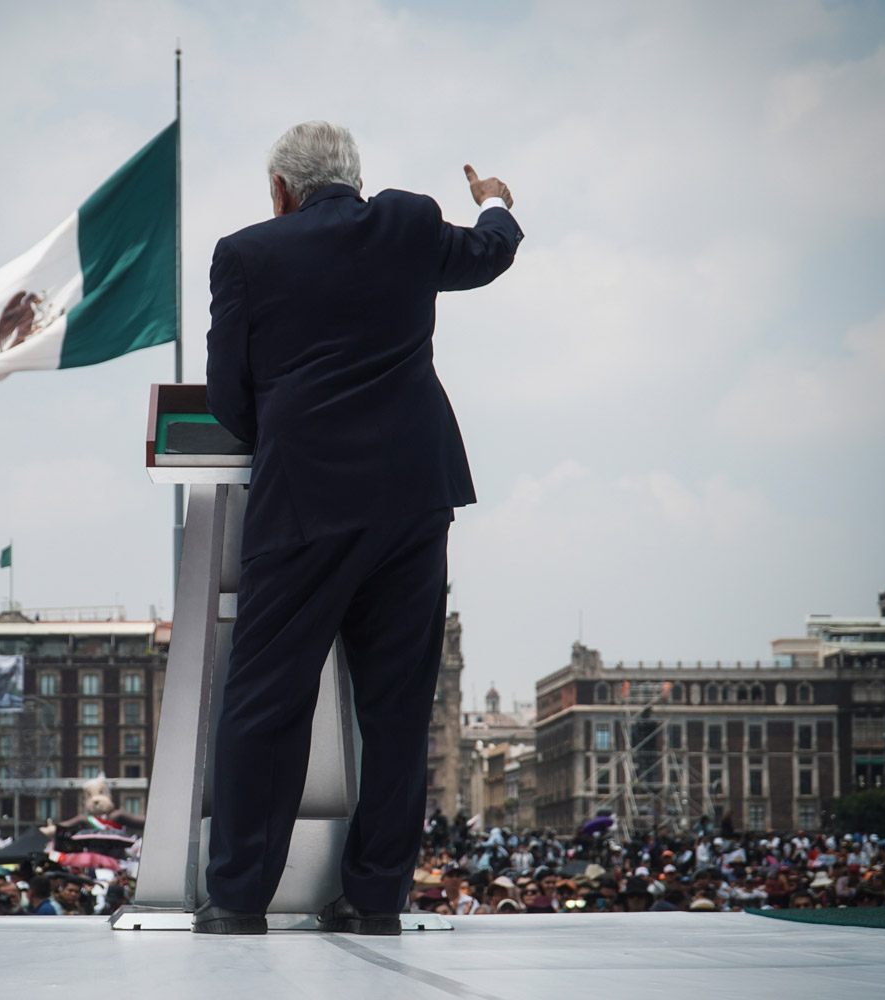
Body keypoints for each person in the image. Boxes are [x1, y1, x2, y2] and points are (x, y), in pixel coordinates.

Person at [193, 121, 520, 937]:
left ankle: (239, 899)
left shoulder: (246, 254)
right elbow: (490, 255)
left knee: (265, 702)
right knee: (399, 710)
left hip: (302, 505)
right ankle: (374, 899)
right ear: (356, 178)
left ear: (280, 191)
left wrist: (289, 429)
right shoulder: (408, 224)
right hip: (413, 503)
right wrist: (499, 204)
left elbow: (229, 399)